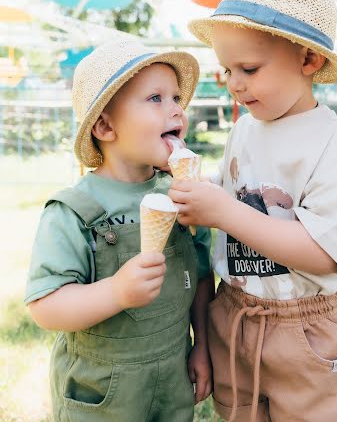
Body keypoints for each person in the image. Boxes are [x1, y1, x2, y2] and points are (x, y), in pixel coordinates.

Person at [169, 0, 337, 422]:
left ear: (308, 61)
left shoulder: (330, 145)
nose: (234, 83)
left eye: (249, 69)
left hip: (307, 331)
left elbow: (324, 253)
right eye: (226, 69)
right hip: (238, 314)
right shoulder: (244, 130)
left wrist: (223, 212)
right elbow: (228, 196)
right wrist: (198, 194)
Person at [25, 36, 214, 422]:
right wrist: (116, 291)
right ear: (106, 126)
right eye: (156, 99)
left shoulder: (184, 197)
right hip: (102, 393)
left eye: (177, 98)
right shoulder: (73, 211)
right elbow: (45, 307)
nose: (177, 110)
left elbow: (200, 274)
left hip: (172, 377)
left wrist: (202, 346)